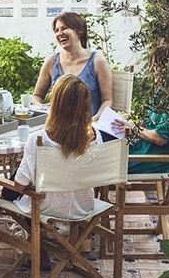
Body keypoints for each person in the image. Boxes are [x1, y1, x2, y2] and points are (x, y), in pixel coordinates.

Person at [10, 74, 103, 220]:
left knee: (20, 177)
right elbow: (98, 177)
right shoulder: (95, 136)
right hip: (84, 208)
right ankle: (77, 238)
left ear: (55, 103)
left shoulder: (39, 139)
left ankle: (33, 233)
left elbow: (19, 186)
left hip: (45, 209)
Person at [30, 12, 113, 117]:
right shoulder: (51, 61)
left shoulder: (97, 61)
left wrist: (94, 119)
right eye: (56, 30)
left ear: (80, 31)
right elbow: (36, 96)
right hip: (57, 126)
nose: (59, 33)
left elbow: (107, 100)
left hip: (87, 127)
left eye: (64, 28)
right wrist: (41, 106)